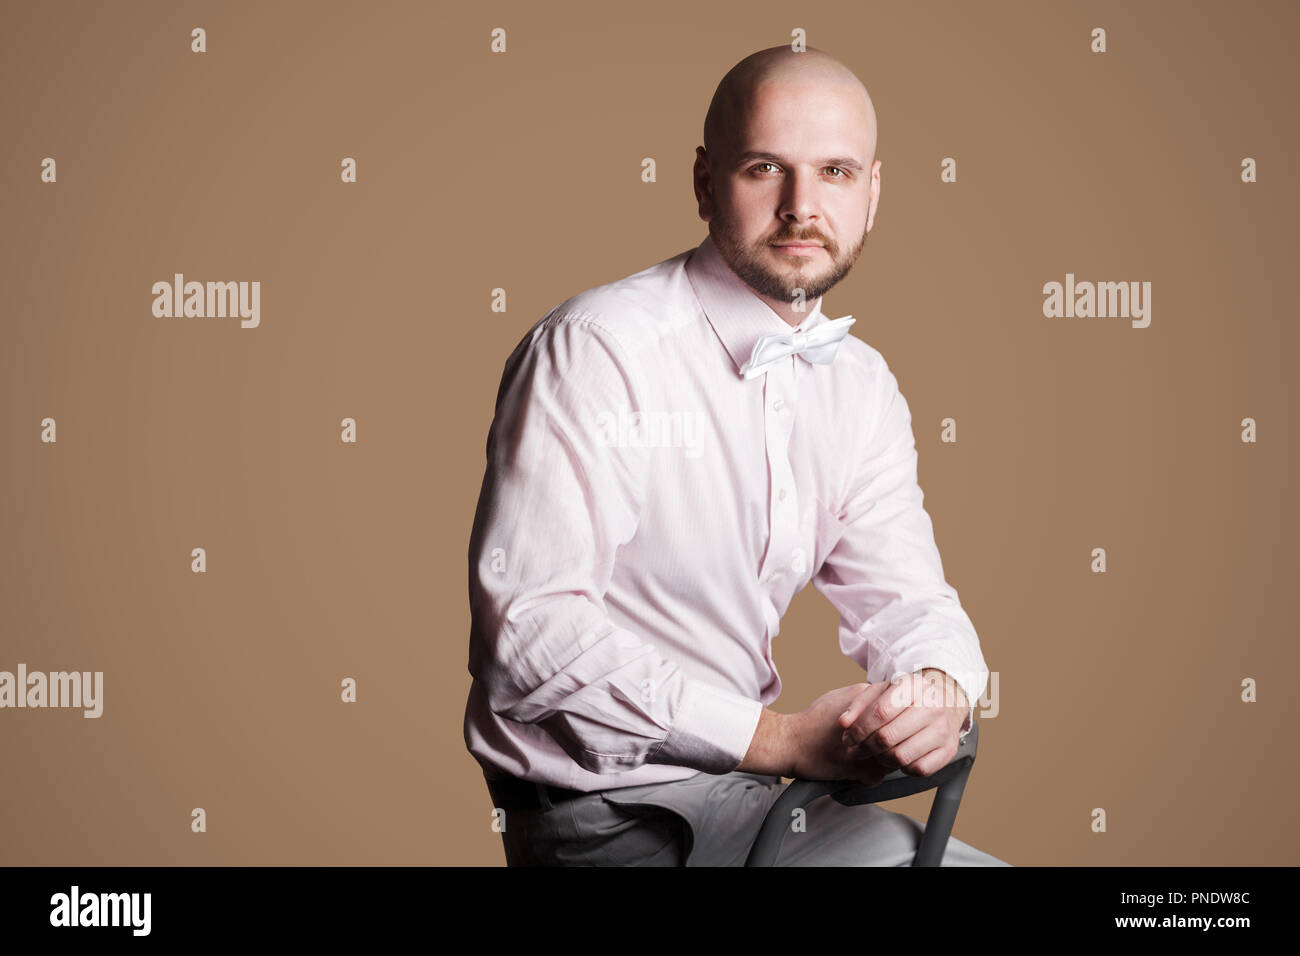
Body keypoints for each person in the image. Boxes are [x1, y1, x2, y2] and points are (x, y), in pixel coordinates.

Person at [463, 44, 1010, 866]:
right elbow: (530, 632)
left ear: (872, 193)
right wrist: (781, 740)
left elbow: (907, 599)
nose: (801, 206)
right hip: (610, 815)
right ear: (702, 181)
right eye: (765, 168)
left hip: (755, 800)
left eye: (835, 171)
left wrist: (938, 691)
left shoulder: (858, 384)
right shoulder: (597, 351)